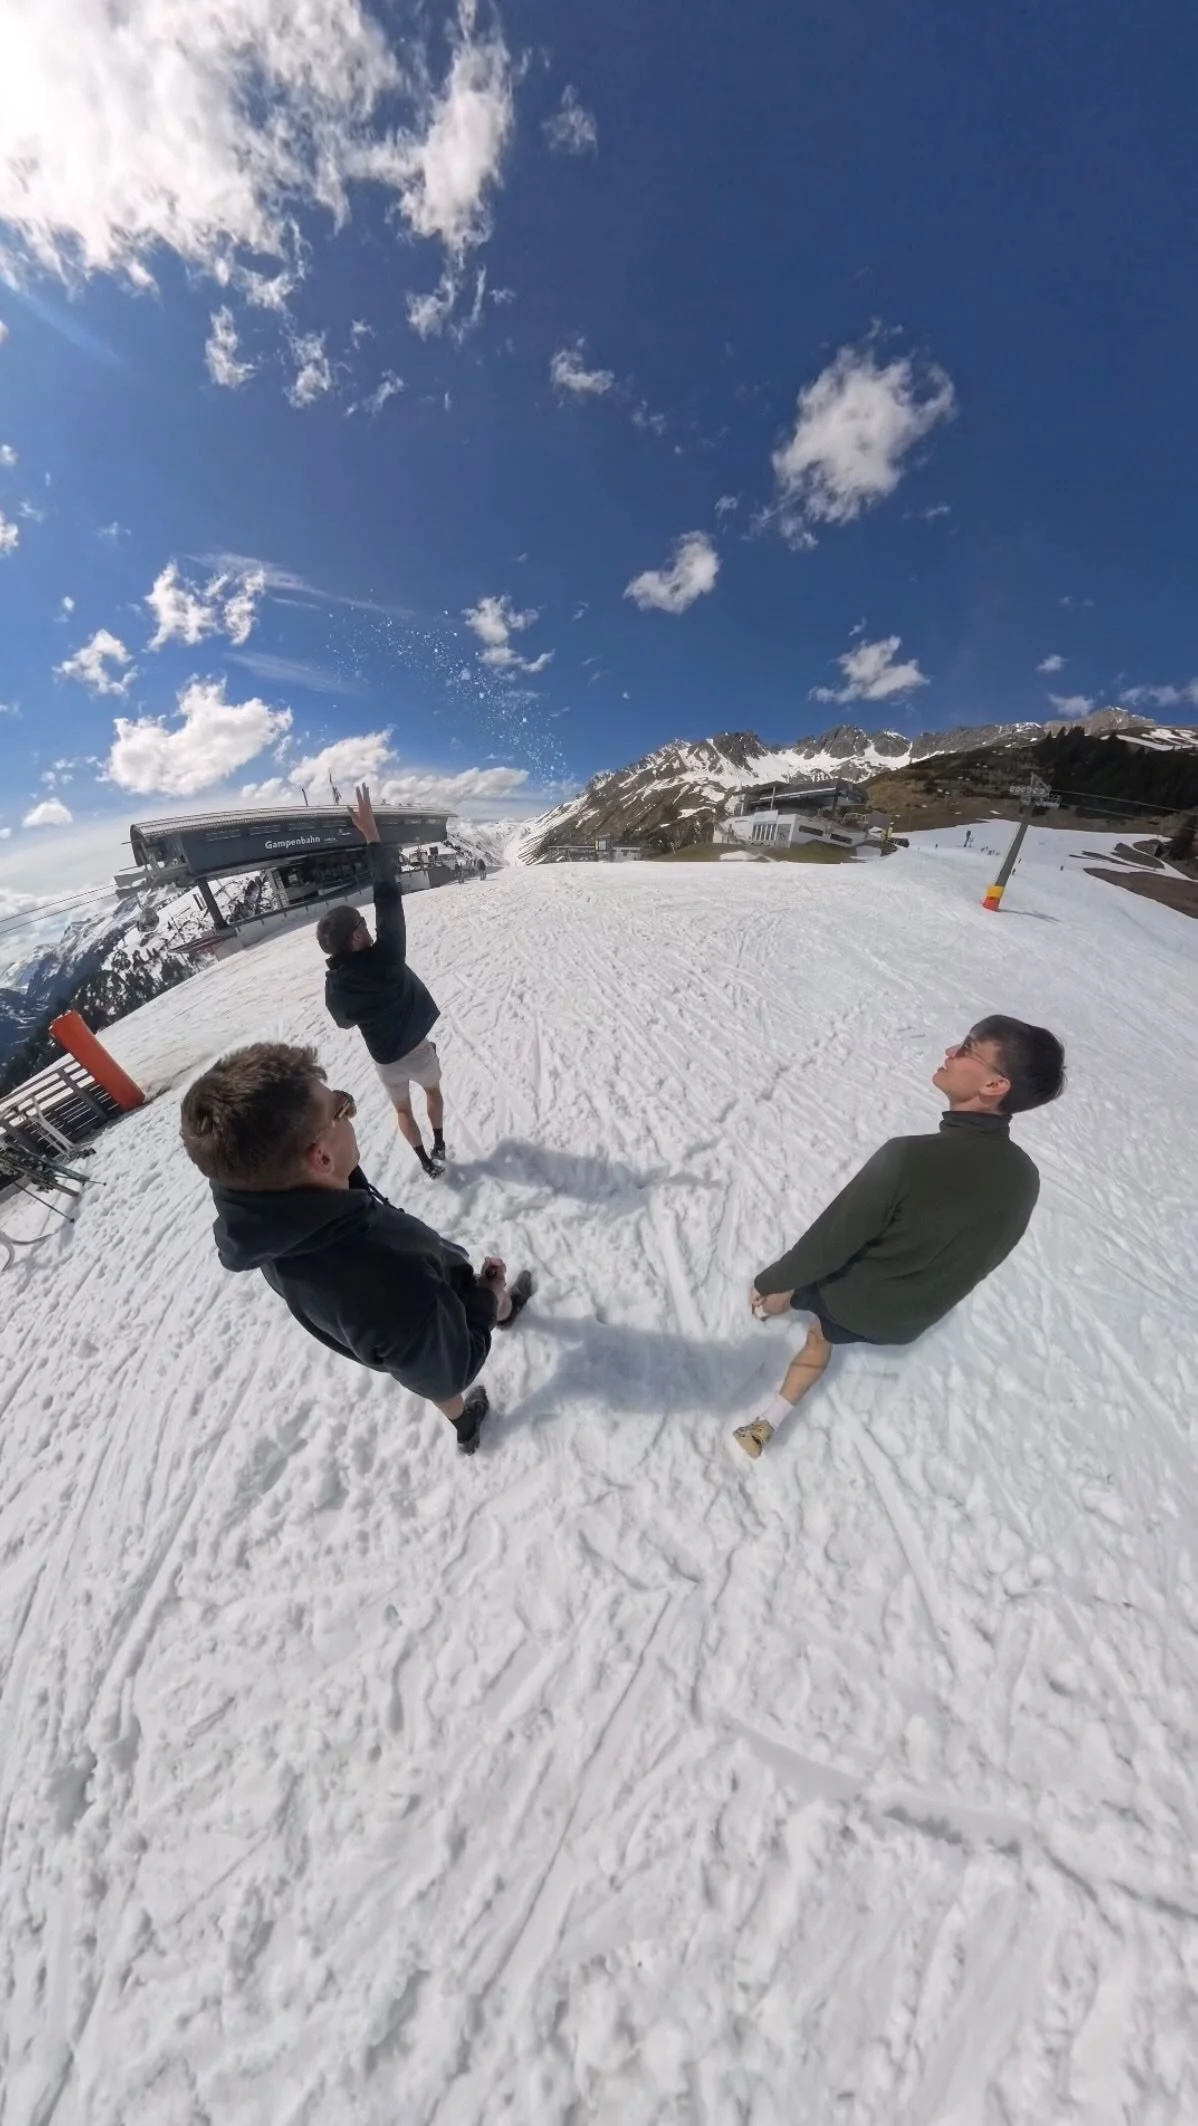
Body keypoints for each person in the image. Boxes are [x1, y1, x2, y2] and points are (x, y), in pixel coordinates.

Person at [734, 1016, 1066, 1458]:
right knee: (825, 1326)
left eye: (968, 1048)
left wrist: (770, 1281)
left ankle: (770, 1370)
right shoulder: (1025, 1177)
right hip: (908, 1322)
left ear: (994, 1085)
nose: (950, 1051)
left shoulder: (910, 1158)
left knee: (808, 1318)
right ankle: (765, 1424)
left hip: (853, 1303)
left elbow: (827, 1244)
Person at [180, 1043, 533, 1455]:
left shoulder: (267, 1208)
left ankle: (464, 1422)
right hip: (424, 1310)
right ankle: (502, 1312)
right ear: (321, 1157)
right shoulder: (389, 1287)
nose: (351, 1113)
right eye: (341, 1108)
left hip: (408, 1331)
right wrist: (486, 1298)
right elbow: (450, 1372)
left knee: (422, 1370)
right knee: (438, 1364)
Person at [317, 785, 447, 1178]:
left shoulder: (337, 986)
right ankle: (440, 1143)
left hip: (386, 1061)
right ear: (356, 936)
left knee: (402, 1110)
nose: (366, 925)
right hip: (417, 1050)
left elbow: (343, 1021)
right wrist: (373, 837)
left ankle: (424, 1161)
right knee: (433, 1091)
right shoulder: (388, 956)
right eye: (361, 923)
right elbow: (388, 896)